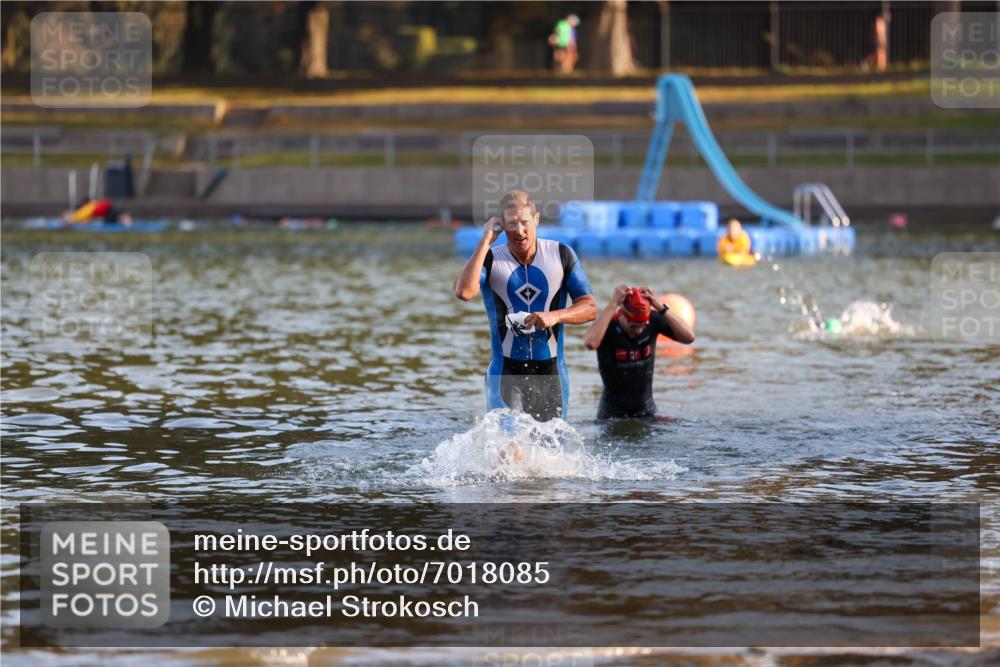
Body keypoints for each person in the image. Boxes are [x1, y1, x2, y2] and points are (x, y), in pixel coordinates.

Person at [454, 190, 596, 422]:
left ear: (536, 219)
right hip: (505, 371)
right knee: (509, 448)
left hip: (551, 373)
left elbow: (589, 307)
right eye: (511, 224)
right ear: (501, 225)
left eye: (524, 222)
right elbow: (464, 292)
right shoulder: (489, 258)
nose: (519, 231)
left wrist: (556, 316)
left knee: (551, 453)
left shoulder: (561, 255)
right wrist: (485, 241)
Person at [583, 285, 695, 420]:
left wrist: (659, 306)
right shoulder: (608, 325)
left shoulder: (653, 320)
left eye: (643, 326)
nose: (639, 331)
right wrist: (613, 304)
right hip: (612, 416)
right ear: (622, 314)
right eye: (633, 326)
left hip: (647, 411)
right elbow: (590, 343)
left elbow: (689, 337)